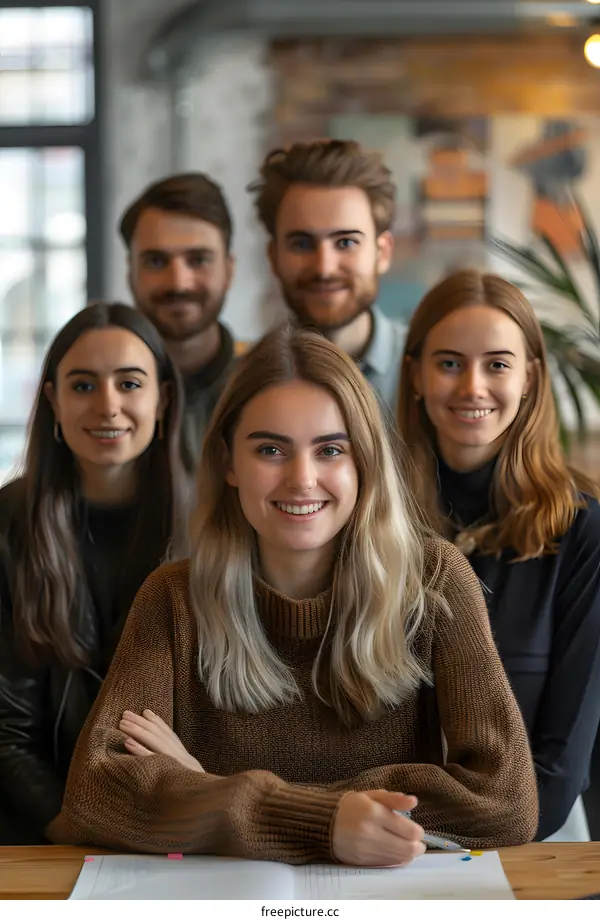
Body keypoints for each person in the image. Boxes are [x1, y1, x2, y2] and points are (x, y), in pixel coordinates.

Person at [52, 323, 537, 862]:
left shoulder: (436, 583)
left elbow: (506, 801)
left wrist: (212, 789)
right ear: (229, 463)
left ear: (365, 463)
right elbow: (96, 793)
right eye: (271, 450)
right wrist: (323, 820)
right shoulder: (172, 598)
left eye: (330, 449)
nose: (303, 479)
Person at [397, 269, 600, 842]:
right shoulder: (368, 518)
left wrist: (422, 834)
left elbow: (561, 770)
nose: (473, 387)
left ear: (531, 377)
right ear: (415, 373)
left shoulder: (583, 531)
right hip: (375, 838)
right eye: (450, 363)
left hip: (532, 837)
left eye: (498, 364)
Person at [0, 302, 187, 845]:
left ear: (163, 398)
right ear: (53, 400)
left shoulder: (213, 528)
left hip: (176, 823)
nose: (108, 406)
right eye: (83, 386)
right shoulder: (6, 529)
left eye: (130, 384)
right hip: (38, 830)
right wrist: (73, 831)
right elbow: (6, 734)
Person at [248, 139, 405, 415]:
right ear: (273, 257)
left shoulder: (429, 369)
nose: (324, 268)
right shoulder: (245, 383)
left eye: (345, 242)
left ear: (382, 253)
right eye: (302, 244)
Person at [120, 172, 237, 473]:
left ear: (229, 270)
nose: (178, 283)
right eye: (156, 262)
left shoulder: (268, 384)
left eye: (198, 260)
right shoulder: (101, 392)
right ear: (130, 273)